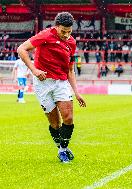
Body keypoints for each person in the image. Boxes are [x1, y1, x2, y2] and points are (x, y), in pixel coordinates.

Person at [17, 12, 86, 163]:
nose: (66, 35)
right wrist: (34, 70)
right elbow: (21, 49)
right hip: (42, 84)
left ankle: (62, 150)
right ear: (56, 27)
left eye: (69, 31)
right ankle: (61, 147)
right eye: (63, 31)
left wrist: (77, 92)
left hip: (61, 83)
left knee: (68, 118)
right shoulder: (45, 35)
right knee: (55, 123)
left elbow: (70, 69)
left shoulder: (72, 43)